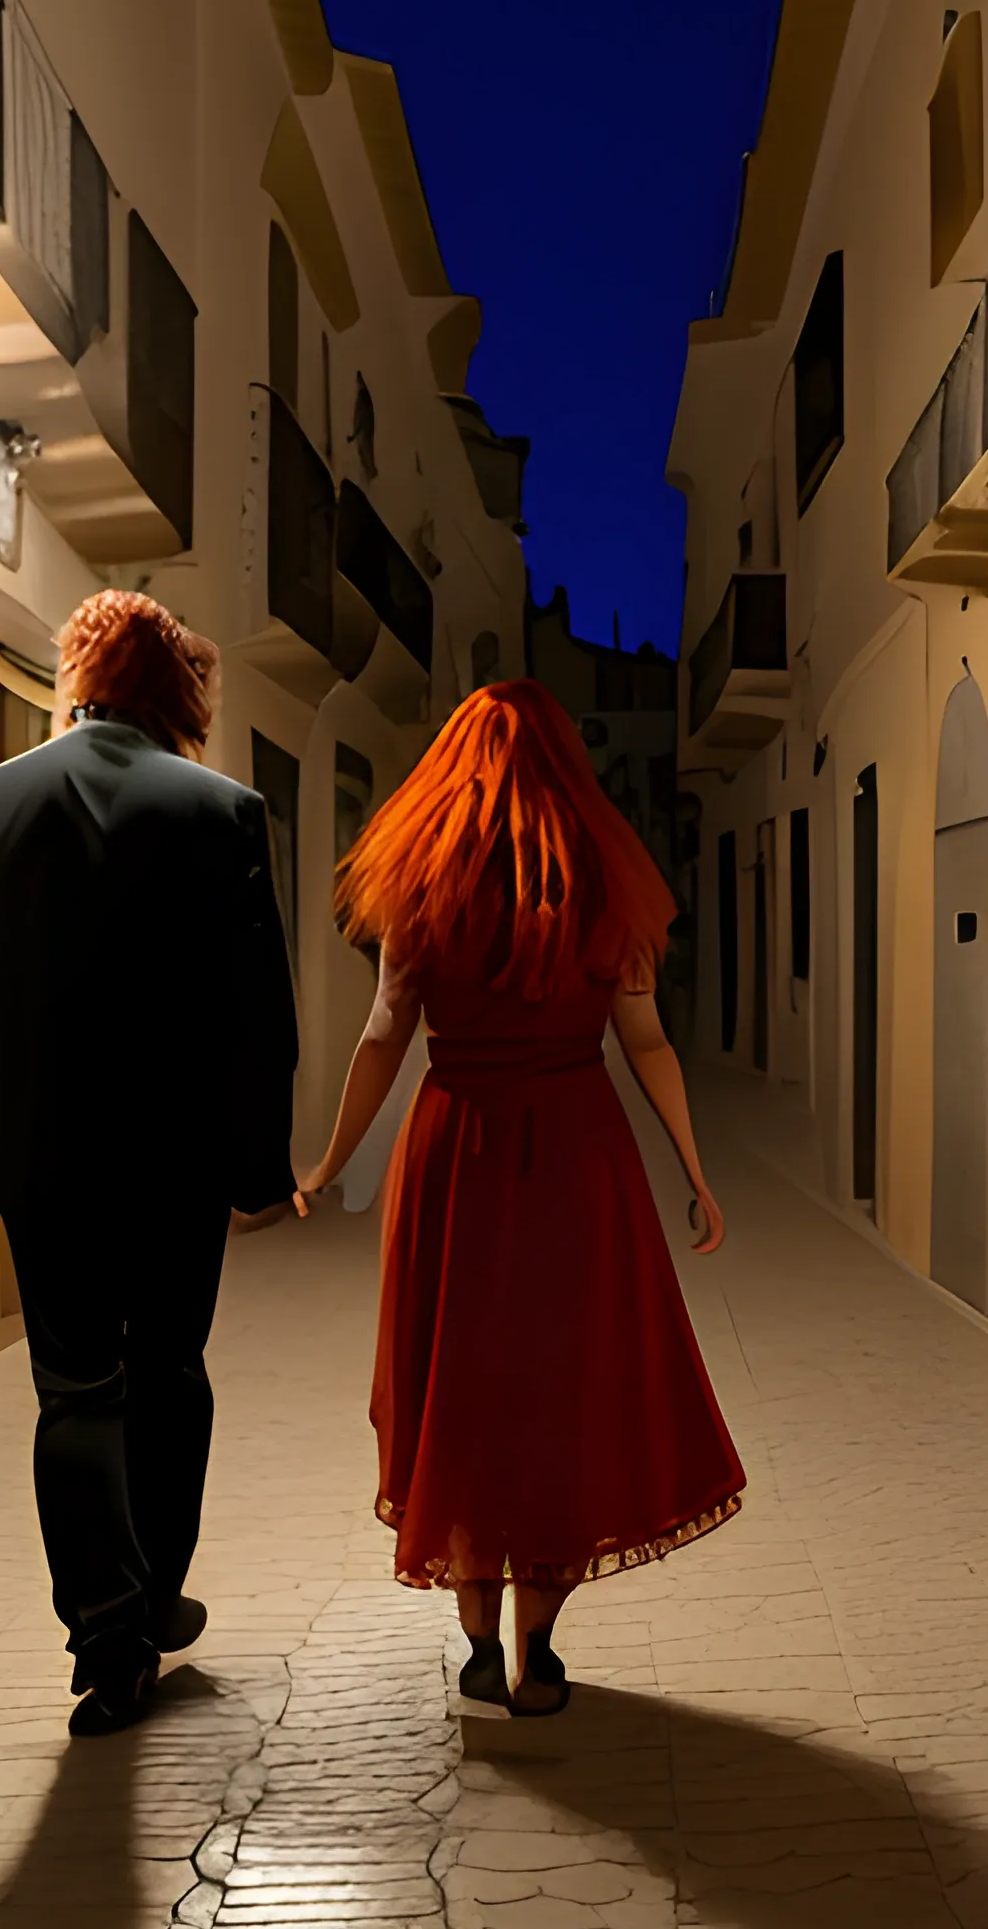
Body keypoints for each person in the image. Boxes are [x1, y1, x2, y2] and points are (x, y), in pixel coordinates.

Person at [297, 679, 744, 1716]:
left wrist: (323, 1162)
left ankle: (476, 1646)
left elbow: (380, 1036)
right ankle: (539, 1650)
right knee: (561, 1389)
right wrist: (692, 1168)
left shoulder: (420, 885)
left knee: (460, 1386)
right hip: (577, 1152)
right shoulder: (603, 882)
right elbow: (644, 1040)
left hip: (454, 1146)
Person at [0, 591, 298, 1737]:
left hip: (38, 1157)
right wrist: (260, 1163)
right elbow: (257, 1010)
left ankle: (107, 1628)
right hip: (174, 1158)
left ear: (75, 678)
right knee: (168, 1370)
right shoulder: (223, 809)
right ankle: (155, 1589)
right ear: (177, 694)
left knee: (73, 1384)